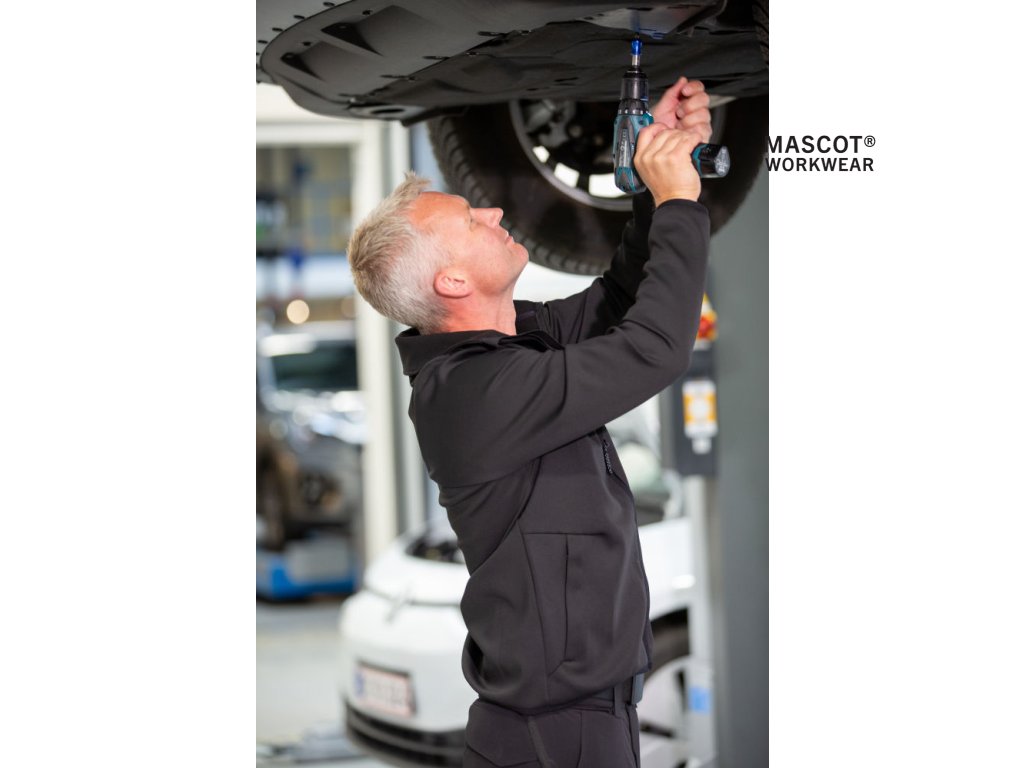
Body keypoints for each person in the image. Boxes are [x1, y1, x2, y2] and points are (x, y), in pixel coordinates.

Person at [347, 75, 713, 768]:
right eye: (469, 221)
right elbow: (654, 350)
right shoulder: (474, 393)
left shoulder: (507, 350)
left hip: (576, 722)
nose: (491, 211)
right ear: (453, 282)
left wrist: (658, 170)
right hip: (557, 738)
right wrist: (677, 201)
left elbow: (621, 303)